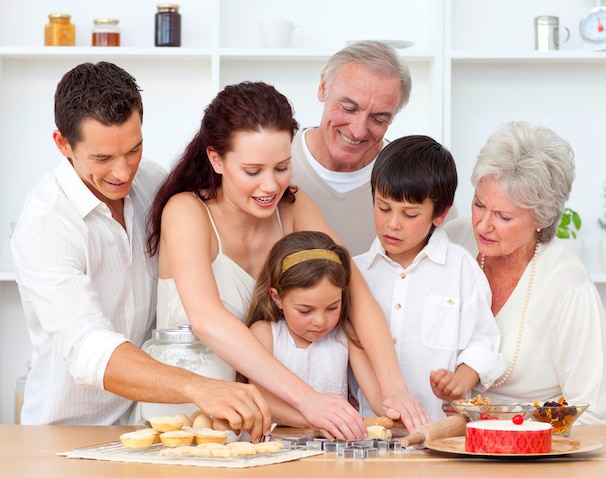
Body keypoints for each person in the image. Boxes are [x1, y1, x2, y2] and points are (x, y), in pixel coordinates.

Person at [146, 81, 429, 440]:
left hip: (260, 430)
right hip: (185, 423)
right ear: (216, 159)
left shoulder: (293, 207)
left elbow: (356, 293)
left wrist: (394, 390)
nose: (270, 186)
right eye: (253, 171)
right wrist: (308, 400)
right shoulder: (187, 211)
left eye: (281, 167)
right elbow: (207, 320)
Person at [10, 62, 270, 440]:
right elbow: (88, 347)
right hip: (65, 434)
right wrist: (199, 386)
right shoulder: (46, 224)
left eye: (133, 149)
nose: (122, 171)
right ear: (62, 144)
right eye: (102, 158)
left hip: (149, 427)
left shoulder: (151, 181)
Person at [443, 121, 606, 424]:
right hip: (439, 439)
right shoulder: (451, 241)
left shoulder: (568, 285)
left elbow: (592, 416)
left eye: (504, 216)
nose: (482, 225)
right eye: (479, 204)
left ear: (542, 218)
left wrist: (508, 433)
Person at [352, 135, 506, 421]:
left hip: (441, 433)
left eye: (409, 214)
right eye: (383, 207)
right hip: (372, 433)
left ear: (441, 213)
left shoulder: (460, 269)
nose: (392, 223)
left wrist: (461, 379)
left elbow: (484, 341)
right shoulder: (356, 273)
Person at [290, 40, 456, 256]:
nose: (358, 131)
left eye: (378, 119)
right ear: (323, 88)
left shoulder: (414, 176)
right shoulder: (275, 164)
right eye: (349, 108)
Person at [244, 231, 383, 427]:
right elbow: (263, 400)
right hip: (275, 448)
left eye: (332, 307)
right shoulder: (265, 334)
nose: (320, 321)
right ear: (277, 298)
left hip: (332, 450)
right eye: (305, 310)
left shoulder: (343, 335)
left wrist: (394, 408)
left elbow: (376, 394)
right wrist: (319, 422)